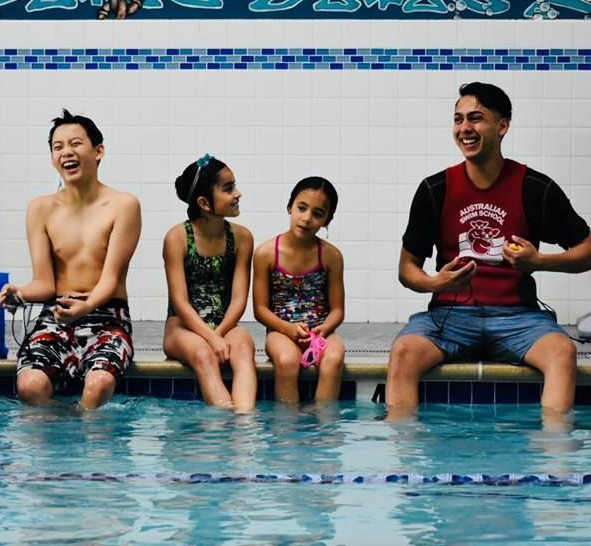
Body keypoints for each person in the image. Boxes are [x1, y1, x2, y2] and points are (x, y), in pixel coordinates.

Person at [387, 82, 591, 419]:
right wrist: (436, 284)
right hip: (449, 318)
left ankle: (553, 462)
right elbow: (407, 268)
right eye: (458, 119)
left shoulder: (534, 187)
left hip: (519, 319)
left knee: (562, 352)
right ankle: (410, 463)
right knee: (404, 352)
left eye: (476, 118)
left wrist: (539, 262)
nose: (464, 128)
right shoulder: (434, 189)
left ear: (502, 126)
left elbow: (587, 249)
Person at [0, 110, 142, 409]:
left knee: (98, 383)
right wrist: (19, 294)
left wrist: (87, 306)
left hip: (107, 317)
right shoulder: (40, 209)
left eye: (75, 143)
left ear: (98, 151)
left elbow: (112, 277)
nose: (66, 152)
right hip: (57, 315)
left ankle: (88, 449)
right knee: (30, 385)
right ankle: (63, 443)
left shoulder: (123, 205)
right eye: (58, 147)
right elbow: (45, 284)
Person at [162, 154, 257, 412]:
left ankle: (244, 425)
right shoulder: (177, 238)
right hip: (182, 328)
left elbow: (239, 299)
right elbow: (180, 302)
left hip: (225, 325)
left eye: (234, 185)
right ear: (204, 202)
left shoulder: (242, 238)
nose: (237, 194)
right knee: (204, 356)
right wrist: (210, 339)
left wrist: (219, 334)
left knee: (244, 350)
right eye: (228, 189)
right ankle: (221, 428)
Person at [253, 177, 346, 402]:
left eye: (317, 213)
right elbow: (260, 309)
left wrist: (323, 330)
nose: (306, 219)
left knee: (334, 358)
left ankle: (324, 430)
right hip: (281, 330)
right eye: (301, 208)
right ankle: (288, 431)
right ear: (289, 207)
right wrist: (288, 329)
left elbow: (337, 310)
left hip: (320, 330)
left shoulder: (331, 257)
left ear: (327, 220)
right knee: (286, 360)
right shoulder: (266, 254)